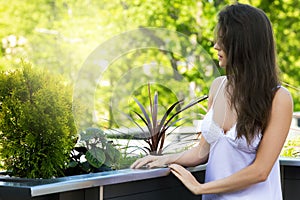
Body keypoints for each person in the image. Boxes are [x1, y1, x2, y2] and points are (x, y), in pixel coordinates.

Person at [131, 3, 294, 199]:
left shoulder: (278, 98)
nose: (216, 46)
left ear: (243, 44)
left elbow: (260, 171)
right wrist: (163, 159)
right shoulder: (218, 87)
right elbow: (203, 151)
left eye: (223, 40)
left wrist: (200, 188)